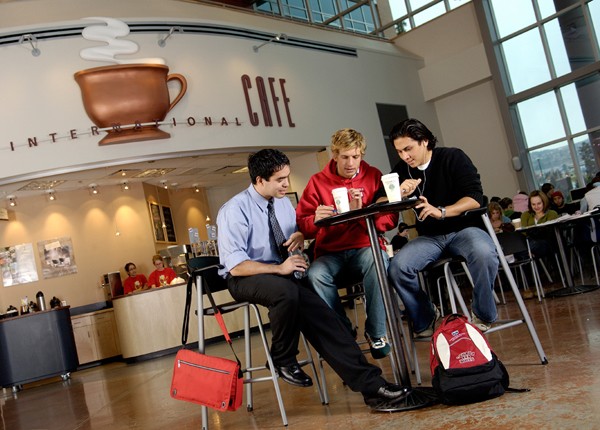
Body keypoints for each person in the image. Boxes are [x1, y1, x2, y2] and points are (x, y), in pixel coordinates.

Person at [216, 148, 409, 411]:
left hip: (283, 275)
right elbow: (236, 265)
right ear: (259, 180)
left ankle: (372, 387)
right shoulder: (234, 210)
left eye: (287, 177)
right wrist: (280, 269)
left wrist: (299, 236)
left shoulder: (282, 203)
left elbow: (293, 236)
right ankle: (282, 358)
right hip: (246, 276)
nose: (286, 184)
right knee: (286, 292)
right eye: (279, 179)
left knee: (327, 319)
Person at [382, 118, 499, 336]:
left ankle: (483, 314)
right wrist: (397, 194)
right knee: (397, 268)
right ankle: (427, 316)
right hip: (430, 238)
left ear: (424, 141)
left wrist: (441, 211)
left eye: (408, 149)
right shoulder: (402, 170)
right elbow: (380, 201)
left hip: (464, 230)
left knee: (484, 253)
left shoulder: (453, 157)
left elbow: (474, 198)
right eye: (399, 152)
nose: (405, 156)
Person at [296, 128, 396, 359]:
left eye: (355, 156)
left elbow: (390, 220)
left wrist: (361, 213)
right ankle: (343, 332)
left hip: (365, 248)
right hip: (330, 253)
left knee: (378, 260)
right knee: (315, 275)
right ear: (334, 155)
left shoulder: (374, 176)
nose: (350, 163)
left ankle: (376, 333)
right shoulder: (317, 182)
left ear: (361, 154)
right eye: (345, 157)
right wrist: (316, 220)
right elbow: (303, 225)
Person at [520, 190, 559, 258]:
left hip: (547, 244)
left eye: (539, 203)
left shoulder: (552, 214)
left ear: (544, 202)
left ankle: (526, 253)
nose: (536, 207)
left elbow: (548, 232)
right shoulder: (525, 215)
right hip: (529, 243)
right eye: (533, 204)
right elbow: (523, 233)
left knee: (536, 244)